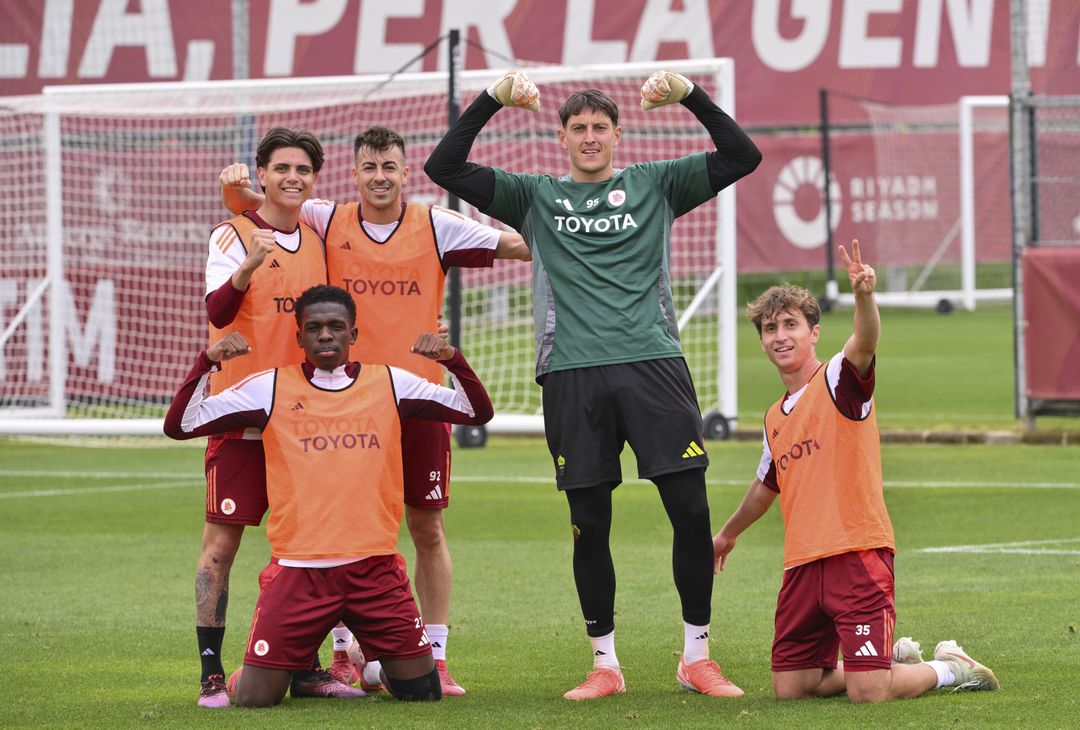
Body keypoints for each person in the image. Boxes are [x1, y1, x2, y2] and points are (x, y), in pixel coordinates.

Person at [424, 70, 762, 700]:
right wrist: (491, 100)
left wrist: (690, 94)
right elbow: (444, 166)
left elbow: (743, 154)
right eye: (577, 128)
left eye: (599, 128)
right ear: (559, 137)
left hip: (652, 364)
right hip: (572, 374)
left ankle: (696, 657)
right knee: (590, 521)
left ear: (617, 134)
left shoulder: (656, 184)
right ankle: (605, 664)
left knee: (689, 511)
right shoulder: (532, 197)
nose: (588, 137)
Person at [219, 125, 529, 695]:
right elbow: (261, 203)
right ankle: (344, 655)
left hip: (419, 399)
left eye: (390, 167)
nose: (380, 177)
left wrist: (560, 220)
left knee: (428, 527)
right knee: (338, 523)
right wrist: (234, 189)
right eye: (369, 167)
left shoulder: (434, 223)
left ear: (405, 172)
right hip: (346, 403)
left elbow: (519, 244)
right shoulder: (325, 218)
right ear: (353, 173)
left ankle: (433, 655)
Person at [163, 284, 494, 707]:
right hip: (299, 573)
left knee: (421, 694)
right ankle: (268, 664)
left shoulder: (391, 382)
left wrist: (451, 359)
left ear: (353, 334)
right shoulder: (268, 388)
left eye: (336, 327)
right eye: (314, 328)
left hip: (374, 572)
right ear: (299, 337)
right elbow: (181, 425)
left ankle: (369, 661)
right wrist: (207, 362)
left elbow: (475, 412)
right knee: (255, 699)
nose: (325, 336)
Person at [711, 240, 1000, 702]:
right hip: (802, 564)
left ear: (814, 333)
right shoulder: (773, 418)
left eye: (791, 324)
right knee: (792, 689)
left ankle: (948, 668)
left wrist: (865, 296)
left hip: (857, 554)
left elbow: (865, 340)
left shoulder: (838, 379)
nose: (780, 336)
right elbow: (766, 486)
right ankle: (887, 660)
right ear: (762, 340)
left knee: (870, 693)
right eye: (770, 328)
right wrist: (727, 535)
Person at [196, 127, 360, 707]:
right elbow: (217, 310)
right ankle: (211, 672)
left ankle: (306, 667)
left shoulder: (317, 238)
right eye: (281, 168)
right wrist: (248, 267)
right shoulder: (231, 234)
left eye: (303, 170)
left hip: (302, 420)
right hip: (240, 415)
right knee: (222, 546)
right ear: (261, 174)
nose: (293, 178)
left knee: (304, 550)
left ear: (315, 178)